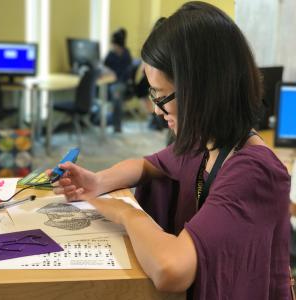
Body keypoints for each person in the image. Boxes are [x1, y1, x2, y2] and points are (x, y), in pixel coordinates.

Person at [50, 2, 291, 299]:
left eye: (162, 96)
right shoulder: (204, 142)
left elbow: (171, 270)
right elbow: (149, 165)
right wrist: (97, 182)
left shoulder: (254, 171)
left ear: (202, 90)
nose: (155, 110)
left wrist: (127, 214)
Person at [104, 28, 133, 132]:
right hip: (110, 83)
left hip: (121, 84)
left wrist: (115, 76)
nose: (113, 47)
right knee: (114, 91)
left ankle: (117, 125)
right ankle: (105, 120)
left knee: (117, 93)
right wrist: (109, 72)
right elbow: (104, 66)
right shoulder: (111, 54)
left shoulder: (126, 55)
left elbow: (126, 75)